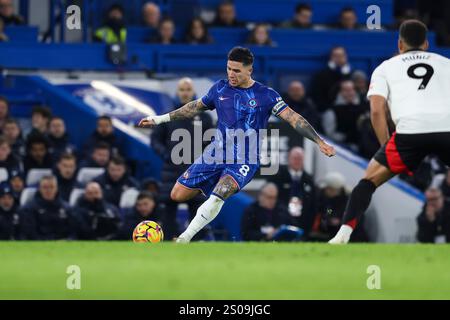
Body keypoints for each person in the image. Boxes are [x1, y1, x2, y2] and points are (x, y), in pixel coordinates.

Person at [139, 46, 335, 243]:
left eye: (236, 70)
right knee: (177, 195)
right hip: (216, 154)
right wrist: (159, 119)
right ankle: (209, 190)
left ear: (249, 70)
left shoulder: (266, 95)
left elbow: (293, 118)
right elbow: (193, 107)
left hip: (245, 159)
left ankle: (184, 238)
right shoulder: (219, 89)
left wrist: (319, 141)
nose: (231, 74)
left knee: (219, 194)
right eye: (229, 69)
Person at [329, 20, 450, 244]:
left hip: (409, 133)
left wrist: (386, 146)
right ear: (426, 44)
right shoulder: (446, 63)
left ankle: (342, 236)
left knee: (368, 182)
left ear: (400, 44)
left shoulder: (385, 67)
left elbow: (376, 111)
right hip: (447, 129)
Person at [151, 77, 213, 240]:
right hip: (171, 171)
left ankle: (196, 243)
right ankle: (167, 243)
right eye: (182, 90)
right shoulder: (169, 116)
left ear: (193, 92)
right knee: (168, 211)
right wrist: (166, 154)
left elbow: (212, 142)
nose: (185, 93)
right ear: (177, 93)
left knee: (197, 209)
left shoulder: (205, 118)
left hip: (196, 170)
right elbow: (155, 140)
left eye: (188, 90)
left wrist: (204, 159)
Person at [268, 147, 316, 234]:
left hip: (303, 220)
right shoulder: (278, 176)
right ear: (289, 158)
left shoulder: (309, 179)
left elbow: (313, 201)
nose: (297, 161)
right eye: (294, 158)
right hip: (281, 217)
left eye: (300, 158)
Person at [19, 175, 75, 240]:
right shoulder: (29, 209)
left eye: (51, 187)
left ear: (56, 188)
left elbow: (73, 233)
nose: (48, 190)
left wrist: (67, 241)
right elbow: (30, 235)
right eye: (45, 187)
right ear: (39, 189)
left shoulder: (67, 209)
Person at [309, 46, 353, 112]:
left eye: (341, 55)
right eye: (336, 56)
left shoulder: (354, 75)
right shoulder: (321, 76)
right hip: (330, 110)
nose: (339, 58)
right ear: (331, 57)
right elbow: (317, 96)